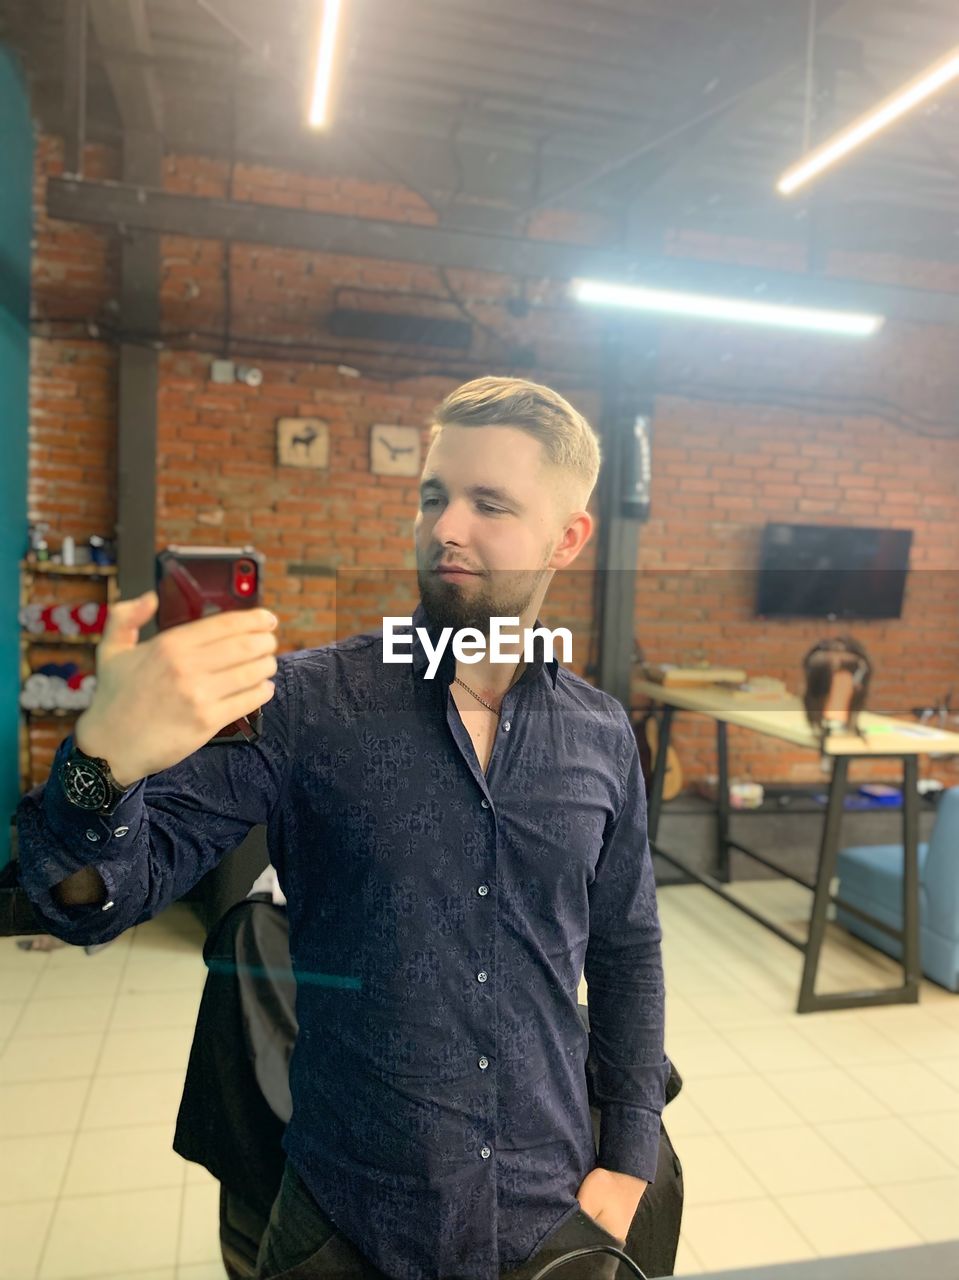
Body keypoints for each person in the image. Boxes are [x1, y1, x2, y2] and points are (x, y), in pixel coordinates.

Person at [16, 376, 670, 1280]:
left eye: (490, 504)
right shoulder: (305, 706)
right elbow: (93, 900)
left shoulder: (600, 736)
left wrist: (629, 1156)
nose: (446, 527)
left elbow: (629, 947)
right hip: (345, 1218)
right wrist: (103, 765)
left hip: (546, 1209)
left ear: (567, 537)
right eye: (433, 496)